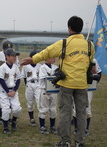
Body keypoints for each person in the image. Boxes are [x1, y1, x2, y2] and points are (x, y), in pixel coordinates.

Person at [21, 16, 95, 147]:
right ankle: (80, 142)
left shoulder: (64, 43)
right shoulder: (90, 45)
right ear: (81, 28)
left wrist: (33, 60)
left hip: (66, 84)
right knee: (81, 114)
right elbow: (90, 62)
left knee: (65, 113)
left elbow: (47, 52)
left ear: (69, 28)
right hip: (82, 84)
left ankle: (65, 141)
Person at [72, 58, 102, 136]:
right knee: (76, 108)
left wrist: (94, 80)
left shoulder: (92, 59)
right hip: (76, 86)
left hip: (87, 87)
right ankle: (76, 128)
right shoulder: (74, 57)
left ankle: (86, 128)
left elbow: (99, 73)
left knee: (87, 109)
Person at [0, 48, 22, 134]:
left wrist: (14, 90)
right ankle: (6, 127)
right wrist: (7, 91)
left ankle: (14, 121)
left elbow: (18, 79)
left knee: (17, 109)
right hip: (4, 91)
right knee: (6, 109)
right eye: (12, 56)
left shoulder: (16, 67)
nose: (14, 58)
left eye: (15, 56)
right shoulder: (2, 67)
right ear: (7, 57)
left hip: (13, 91)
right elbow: (1, 80)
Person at [0, 40, 19, 124]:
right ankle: (2, 118)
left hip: (10, 78)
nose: (8, 50)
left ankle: (9, 118)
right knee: (2, 102)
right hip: (1, 78)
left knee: (13, 103)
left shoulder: (14, 57)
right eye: (6, 49)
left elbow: (16, 69)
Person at [21, 51, 41, 127]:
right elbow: (24, 77)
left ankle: (40, 118)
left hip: (38, 84)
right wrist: (27, 85)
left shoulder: (40, 66)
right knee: (30, 103)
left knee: (39, 101)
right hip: (29, 84)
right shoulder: (26, 66)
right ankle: (31, 118)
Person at [38, 58, 58, 134]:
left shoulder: (55, 67)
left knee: (53, 109)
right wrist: (47, 89)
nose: (54, 59)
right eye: (52, 57)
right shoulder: (42, 67)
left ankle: (52, 126)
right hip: (44, 90)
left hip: (54, 90)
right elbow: (44, 78)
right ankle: (42, 126)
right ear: (47, 58)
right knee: (44, 108)